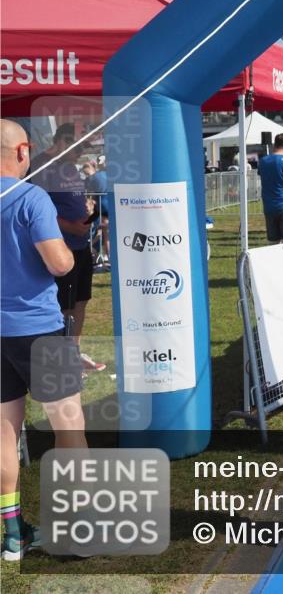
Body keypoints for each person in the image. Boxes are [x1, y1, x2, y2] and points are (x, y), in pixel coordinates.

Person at [1, 119, 88, 561]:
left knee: (4, 434)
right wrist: (70, 251)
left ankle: (13, 535)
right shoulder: (31, 197)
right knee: (70, 428)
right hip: (37, 327)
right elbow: (59, 264)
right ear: (22, 151)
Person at [30, 123, 104, 371]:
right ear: (62, 140)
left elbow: (77, 198)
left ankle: (74, 353)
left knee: (81, 301)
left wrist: (89, 208)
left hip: (81, 246)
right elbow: (36, 210)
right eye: (78, 147)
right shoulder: (41, 166)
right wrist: (69, 226)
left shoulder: (70, 169)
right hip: (61, 247)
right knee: (63, 305)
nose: (81, 153)